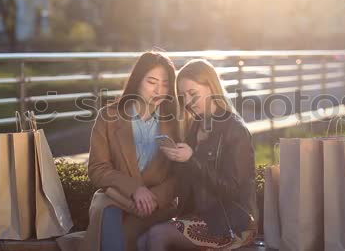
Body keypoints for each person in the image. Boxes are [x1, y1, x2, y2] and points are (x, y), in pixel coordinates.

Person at [138, 59, 258, 250]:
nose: (187, 102)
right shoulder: (196, 125)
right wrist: (177, 158)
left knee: (157, 236)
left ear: (211, 88)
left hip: (232, 223)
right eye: (183, 96)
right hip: (200, 216)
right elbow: (188, 183)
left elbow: (232, 190)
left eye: (193, 94)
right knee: (142, 241)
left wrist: (192, 159)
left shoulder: (235, 130)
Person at [75, 51, 179, 251]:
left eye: (165, 83)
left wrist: (154, 197)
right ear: (138, 80)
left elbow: (180, 174)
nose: (159, 90)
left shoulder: (176, 122)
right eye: (152, 81)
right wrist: (135, 189)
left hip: (158, 206)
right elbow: (97, 168)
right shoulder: (108, 117)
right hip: (117, 197)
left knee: (125, 232)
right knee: (107, 213)